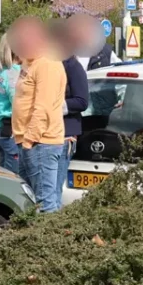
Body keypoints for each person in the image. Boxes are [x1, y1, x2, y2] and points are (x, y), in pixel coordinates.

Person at [11, 17, 68, 212]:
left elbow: (43, 107)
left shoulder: (48, 64)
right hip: (27, 142)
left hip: (40, 143)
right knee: (27, 204)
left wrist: (29, 141)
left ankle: (48, 242)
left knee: (44, 204)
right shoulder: (30, 62)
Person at [54, 20, 89, 195]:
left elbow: (82, 101)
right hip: (50, 133)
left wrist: (58, 107)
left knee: (55, 187)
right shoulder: (50, 64)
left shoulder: (73, 67)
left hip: (66, 133)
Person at [0, 34, 23, 175]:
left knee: (3, 177)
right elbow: (18, 104)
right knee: (14, 180)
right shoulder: (14, 73)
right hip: (11, 131)